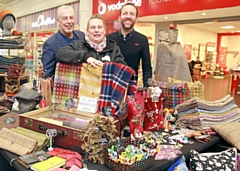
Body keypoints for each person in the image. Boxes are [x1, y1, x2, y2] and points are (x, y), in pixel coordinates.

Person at [107, 3, 152, 87]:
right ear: (119, 18)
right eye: (125, 13)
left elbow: (147, 68)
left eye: (132, 14)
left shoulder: (142, 40)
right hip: (110, 86)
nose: (128, 16)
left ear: (136, 19)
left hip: (131, 87)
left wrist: (147, 89)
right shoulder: (109, 39)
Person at [56, 14, 126, 66]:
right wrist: (84, 57)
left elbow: (123, 68)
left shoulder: (113, 48)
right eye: (92, 27)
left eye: (99, 27)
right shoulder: (79, 45)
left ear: (104, 31)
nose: (96, 30)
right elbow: (60, 54)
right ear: (87, 31)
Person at [41, 5, 85, 79]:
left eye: (71, 18)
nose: (69, 21)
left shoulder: (81, 36)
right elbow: (48, 75)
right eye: (65, 18)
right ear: (58, 21)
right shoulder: (50, 44)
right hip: (63, 87)